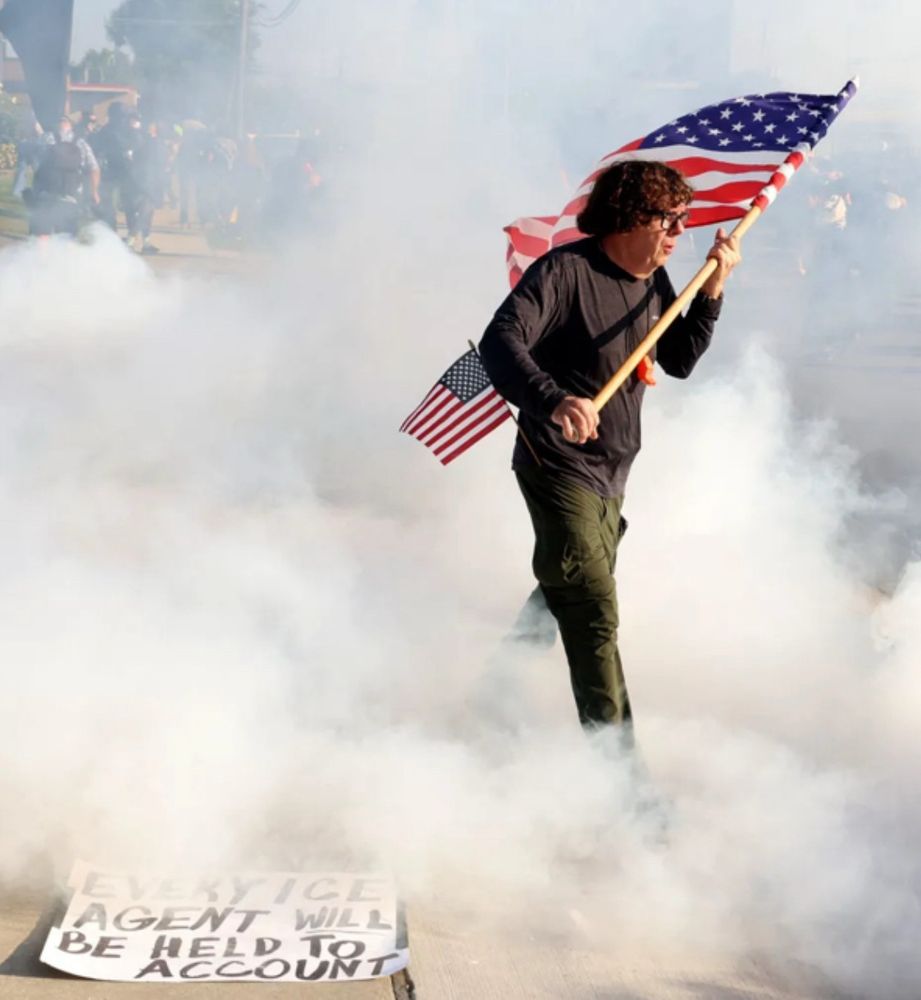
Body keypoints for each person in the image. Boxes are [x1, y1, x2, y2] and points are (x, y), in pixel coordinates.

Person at [478, 159, 741, 739]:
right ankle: (621, 783)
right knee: (595, 613)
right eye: (669, 221)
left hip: (612, 473)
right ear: (628, 218)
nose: (679, 234)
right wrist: (554, 400)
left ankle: (500, 684)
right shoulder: (566, 271)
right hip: (555, 462)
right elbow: (500, 343)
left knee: (567, 587)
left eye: (684, 222)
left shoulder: (652, 278)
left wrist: (713, 288)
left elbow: (678, 358)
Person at [25, 116, 100, 237]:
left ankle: (40, 255)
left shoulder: (46, 138)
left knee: (41, 234)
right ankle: (65, 255)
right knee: (67, 235)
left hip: (45, 193)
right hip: (71, 194)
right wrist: (94, 192)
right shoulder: (81, 143)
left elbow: (33, 160)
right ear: (71, 126)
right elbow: (94, 168)